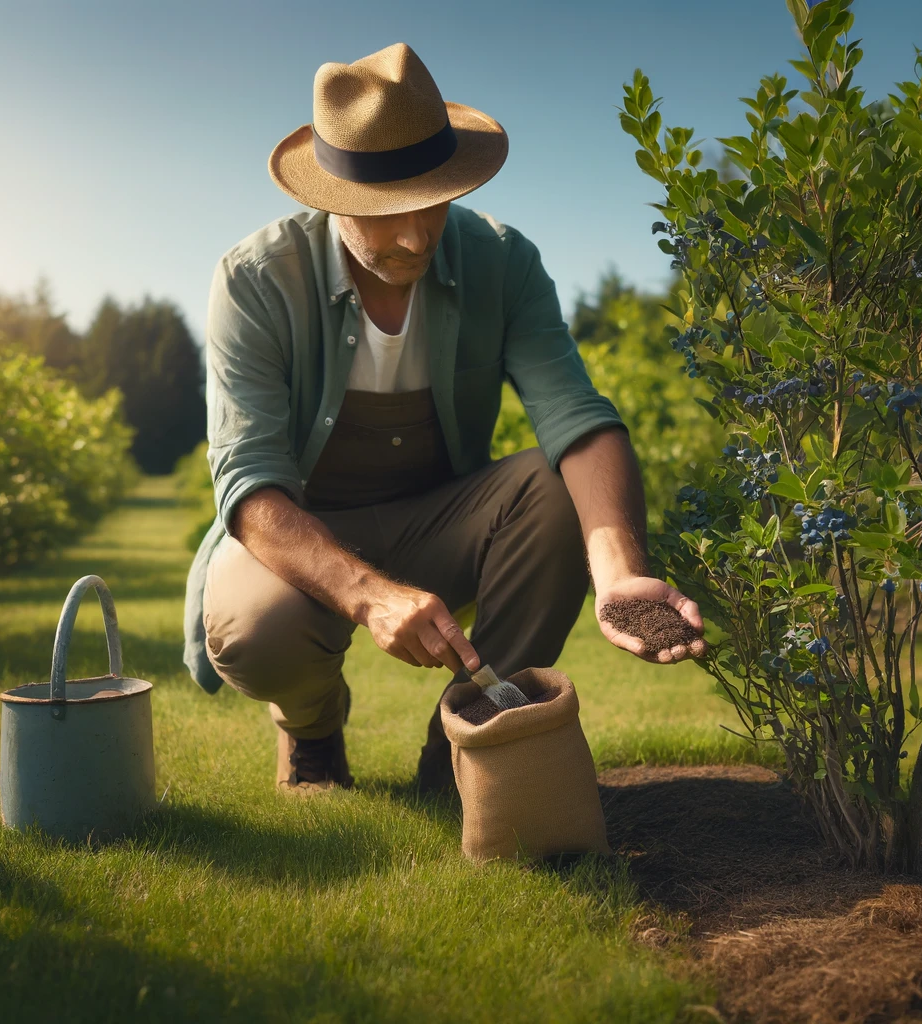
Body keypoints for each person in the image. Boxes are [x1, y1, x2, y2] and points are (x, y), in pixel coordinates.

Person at [181, 42, 706, 796]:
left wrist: (619, 571)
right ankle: (312, 729)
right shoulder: (256, 280)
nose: (417, 236)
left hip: (441, 521)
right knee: (253, 632)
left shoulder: (501, 261)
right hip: (300, 536)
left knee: (558, 487)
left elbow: (577, 418)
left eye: (435, 198)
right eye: (387, 212)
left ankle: (465, 743)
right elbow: (251, 484)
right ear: (331, 195)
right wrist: (370, 596)